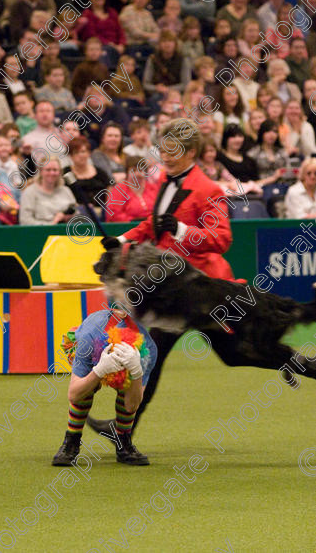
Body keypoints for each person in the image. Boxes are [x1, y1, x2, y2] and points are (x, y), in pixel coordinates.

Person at [87, 118, 245, 434]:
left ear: (191, 152)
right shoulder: (165, 180)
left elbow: (222, 239)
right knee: (155, 356)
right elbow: (151, 224)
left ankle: (298, 363)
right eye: (163, 149)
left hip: (201, 290)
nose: (165, 156)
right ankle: (122, 429)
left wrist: (183, 230)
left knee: (235, 353)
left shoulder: (210, 189)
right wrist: (119, 241)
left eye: (172, 151)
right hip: (174, 290)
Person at [51, 306, 157, 466]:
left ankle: (124, 444)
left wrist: (135, 371)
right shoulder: (88, 339)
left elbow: (131, 405)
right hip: (91, 347)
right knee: (86, 388)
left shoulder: (148, 350)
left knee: (127, 387)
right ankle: (71, 441)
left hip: (131, 362)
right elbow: (73, 394)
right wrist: (99, 371)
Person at [19, 158, 76, 225]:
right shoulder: (30, 192)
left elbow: (76, 212)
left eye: (55, 170)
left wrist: (69, 216)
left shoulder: (66, 191)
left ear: (60, 172)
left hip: (65, 231)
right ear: (41, 171)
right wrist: (53, 223)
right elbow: (25, 221)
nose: (52, 173)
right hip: (40, 232)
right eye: (48, 170)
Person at [105, 156, 159, 222]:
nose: (137, 174)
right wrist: (133, 221)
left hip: (152, 226)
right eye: (133, 170)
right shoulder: (119, 190)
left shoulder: (153, 188)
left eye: (140, 170)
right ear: (127, 173)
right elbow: (113, 215)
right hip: (128, 227)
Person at [64, 136, 111, 208]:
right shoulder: (66, 174)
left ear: (89, 153)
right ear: (71, 156)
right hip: (77, 214)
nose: (80, 155)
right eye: (76, 152)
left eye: (83, 151)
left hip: (102, 213)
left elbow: (110, 196)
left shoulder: (101, 173)